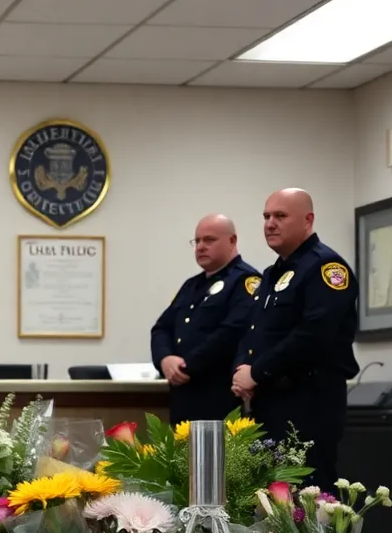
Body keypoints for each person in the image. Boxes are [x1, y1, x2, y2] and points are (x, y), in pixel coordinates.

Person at [233, 188, 359, 488]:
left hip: (308, 401)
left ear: (308, 220)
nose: (270, 224)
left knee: (309, 496)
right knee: (272, 498)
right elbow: (253, 330)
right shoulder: (272, 274)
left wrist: (258, 372)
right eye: (266, 216)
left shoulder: (326, 267)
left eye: (280, 216)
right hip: (270, 399)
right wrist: (241, 370)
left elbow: (314, 334)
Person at [150, 215, 260, 423]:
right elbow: (161, 328)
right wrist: (165, 359)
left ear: (232, 241)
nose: (200, 247)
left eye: (209, 240)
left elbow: (231, 332)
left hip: (219, 396)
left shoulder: (245, 281)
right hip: (183, 396)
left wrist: (185, 367)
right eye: (197, 241)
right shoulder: (192, 285)